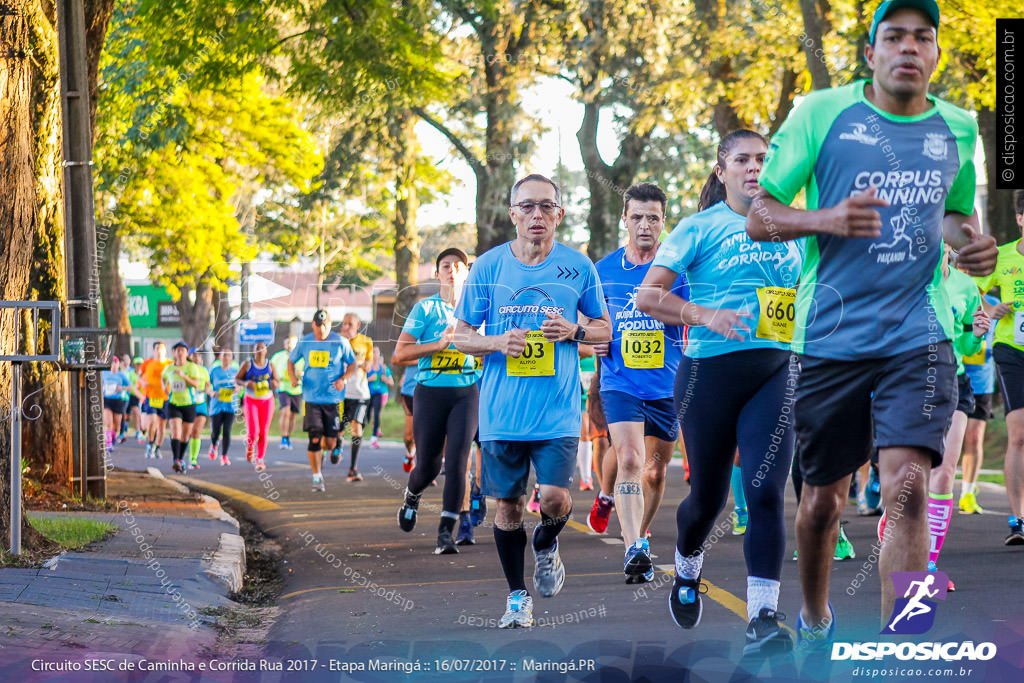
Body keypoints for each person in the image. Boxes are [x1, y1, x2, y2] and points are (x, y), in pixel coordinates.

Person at [746, 0, 997, 643]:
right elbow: (761, 216)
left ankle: (908, 645)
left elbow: (958, 215)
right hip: (829, 337)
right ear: (871, 53)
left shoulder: (960, 128)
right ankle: (815, 612)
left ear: (936, 54)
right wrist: (825, 219)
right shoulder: (820, 113)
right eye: (894, 37)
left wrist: (973, 243)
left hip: (920, 333)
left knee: (907, 489)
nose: (908, 48)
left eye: (922, 38)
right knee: (820, 503)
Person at [639, 130, 802, 656]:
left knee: (765, 492)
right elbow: (648, 296)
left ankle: (763, 615)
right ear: (721, 170)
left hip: (776, 370)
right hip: (707, 375)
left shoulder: (797, 228)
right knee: (708, 498)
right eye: (743, 160)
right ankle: (687, 564)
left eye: (763, 160)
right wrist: (706, 314)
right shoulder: (699, 227)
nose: (754, 169)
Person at [453, 173, 611, 628]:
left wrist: (576, 330)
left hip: (558, 409)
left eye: (546, 207)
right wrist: (498, 341)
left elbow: (604, 329)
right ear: (513, 214)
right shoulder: (487, 267)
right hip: (502, 412)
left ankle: (547, 543)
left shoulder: (579, 266)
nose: (537, 215)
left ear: (559, 215)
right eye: (527, 207)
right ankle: (517, 596)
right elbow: (461, 336)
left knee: (557, 499)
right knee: (508, 508)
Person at [595, 181, 687, 585]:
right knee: (630, 460)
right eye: (637, 217)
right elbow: (589, 320)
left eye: (653, 218)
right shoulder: (603, 270)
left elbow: (692, 318)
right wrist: (594, 337)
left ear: (664, 222)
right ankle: (634, 546)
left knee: (655, 471)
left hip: (668, 384)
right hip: (620, 382)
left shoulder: (678, 271)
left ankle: (642, 530)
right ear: (624, 221)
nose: (645, 225)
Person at [394, 248, 480, 554]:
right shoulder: (424, 310)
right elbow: (400, 355)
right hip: (430, 392)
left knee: (458, 463)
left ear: (467, 272)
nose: (453, 270)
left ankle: (446, 532)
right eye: (446, 265)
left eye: (459, 265)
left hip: (466, 392)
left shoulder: (477, 309)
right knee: (428, 467)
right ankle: (412, 495)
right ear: (437, 273)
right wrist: (438, 344)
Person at [915, 248, 991, 591]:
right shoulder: (907, 280)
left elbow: (968, 343)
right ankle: (897, 521)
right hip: (911, 382)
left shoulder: (965, 285)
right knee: (912, 477)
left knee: (945, 473)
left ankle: (929, 565)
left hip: (956, 380)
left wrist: (976, 332)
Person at [975, 189, 1024, 544]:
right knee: (1019, 434)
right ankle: (1018, 520)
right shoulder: (1004, 257)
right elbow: (969, 289)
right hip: (1011, 350)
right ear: (1020, 218)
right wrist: (992, 310)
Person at [290, 309, 357, 492]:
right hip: (311, 398)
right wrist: (293, 378)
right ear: (313, 325)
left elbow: (352, 363)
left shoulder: (340, 342)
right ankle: (317, 477)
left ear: (330, 324)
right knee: (314, 437)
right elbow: (291, 360)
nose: (321, 330)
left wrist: (343, 379)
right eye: (318, 326)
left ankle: (337, 443)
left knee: (328, 443)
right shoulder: (305, 342)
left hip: (333, 400)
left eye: (325, 325)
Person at [960, 292, 1000, 514]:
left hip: (981, 382)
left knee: (974, 438)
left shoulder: (995, 307)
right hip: (953, 376)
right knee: (945, 439)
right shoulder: (957, 297)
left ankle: (967, 492)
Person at [339, 313, 374, 481]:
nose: (346, 327)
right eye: (344, 324)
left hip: (360, 393)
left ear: (358, 325)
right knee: (338, 428)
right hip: (341, 393)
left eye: (350, 324)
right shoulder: (337, 341)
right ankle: (337, 445)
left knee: (356, 426)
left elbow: (369, 365)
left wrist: (362, 363)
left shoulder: (366, 342)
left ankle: (353, 468)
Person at [162, 341, 203, 473]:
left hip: (189, 404)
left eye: (182, 350)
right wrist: (165, 388)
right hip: (174, 404)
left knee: (185, 436)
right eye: (177, 350)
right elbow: (163, 378)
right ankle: (176, 460)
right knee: (175, 431)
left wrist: (184, 376)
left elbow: (196, 384)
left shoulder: (191, 367)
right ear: (173, 353)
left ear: (186, 353)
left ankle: (180, 458)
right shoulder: (169, 368)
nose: (180, 353)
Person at [237, 341, 278, 473]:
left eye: (262, 348)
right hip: (251, 400)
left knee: (263, 432)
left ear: (266, 351)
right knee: (254, 431)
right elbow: (237, 379)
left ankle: (260, 459)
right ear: (253, 351)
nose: (260, 351)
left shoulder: (270, 365)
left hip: (267, 400)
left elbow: (277, 381)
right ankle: (250, 447)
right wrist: (245, 383)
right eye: (257, 348)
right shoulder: (247, 364)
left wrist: (274, 383)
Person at [140, 341, 171, 459]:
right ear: (154, 350)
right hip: (151, 397)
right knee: (152, 422)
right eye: (157, 348)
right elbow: (139, 375)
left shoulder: (170, 363)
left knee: (162, 426)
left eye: (162, 348)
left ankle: (157, 448)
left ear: (165, 350)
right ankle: (149, 445)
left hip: (165, 399)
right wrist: (143, 382)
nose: (159, 350)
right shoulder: (147, 363)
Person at [208, 346, 238, 466]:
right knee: (215, 431)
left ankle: (224, 456)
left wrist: (238, 388)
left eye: (228, 355)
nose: (226, 357)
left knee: (227, 431)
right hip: (216, 406)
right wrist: (211, 392)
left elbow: (241, 384)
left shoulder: (235, 371)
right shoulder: (214, 371)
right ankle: (214, 444)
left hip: (230, 405)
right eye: (224, 355)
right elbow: (207, 385)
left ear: (232, 358)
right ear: (220, 357)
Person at [271, 336, 303, 450]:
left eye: (292, 343)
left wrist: (301, 375)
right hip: (283, 387)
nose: (289, 345)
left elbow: (304, 371)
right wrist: (274, 380)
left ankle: (288, 437)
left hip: (296, 389)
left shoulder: (301, 357)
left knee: (293, 415)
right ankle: (283, 437)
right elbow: (271, 369)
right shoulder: (278, 356)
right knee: (286, 412)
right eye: (287, 342)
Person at [187, 348, 211, 470]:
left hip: (200, 403)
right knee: (187, 433)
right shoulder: (185, 370)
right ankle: (180, 456)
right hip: (186, 403)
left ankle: (193, 459)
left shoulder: (204, 371)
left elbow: (208, 386)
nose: (197, 358)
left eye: (199, 356)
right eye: (194, 356)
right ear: (189, 357)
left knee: (196, 431)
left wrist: (208, 390)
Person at [101, 356, 132, 453]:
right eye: (112, 362)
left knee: (116, 426)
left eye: (115, 362)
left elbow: (129, 386)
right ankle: (108, 443)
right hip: (106, 400)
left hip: (118, 401)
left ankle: (112, 439)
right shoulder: (103, 373)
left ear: (118, 364)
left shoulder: (121, 375)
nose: (113, 365)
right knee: (108, 423)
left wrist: (122, 388)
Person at [367, 347, 393, 448]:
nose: (374, 354)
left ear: (379, 354)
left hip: (379, 394)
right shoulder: (367, 367)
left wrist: (385, 379)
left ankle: (374, 437)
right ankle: (359, 434)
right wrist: (369, 379)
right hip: (368, 394)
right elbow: (359, 381)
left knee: (376, 414)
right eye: (372, 352)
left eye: (376, 352)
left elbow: (391, 382)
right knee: (367, 416)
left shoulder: (384, 368)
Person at [398, 363, 417, 471]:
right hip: (409, 392)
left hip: (428, 389)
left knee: (424, 432)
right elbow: (398, 358)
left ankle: (425, 468)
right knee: (409, 436)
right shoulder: (409, 345)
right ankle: (410, 453)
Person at [128, 357, 145, 443]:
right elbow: (129, 384)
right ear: (134, 365)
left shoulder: (144, 373)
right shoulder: (131, 374)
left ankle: (142, 428)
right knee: (136, 412)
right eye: (137, 364)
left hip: (144, 396)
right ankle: (138, 430)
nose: (139, 366)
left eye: (140, 364)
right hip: (133, 396)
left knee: (142, 414)